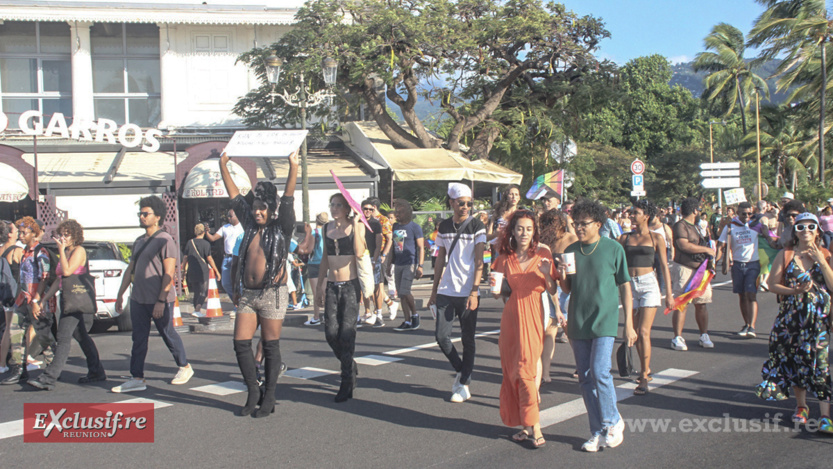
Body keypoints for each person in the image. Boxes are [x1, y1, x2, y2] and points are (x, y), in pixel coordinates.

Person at [219, 150, 297, 417]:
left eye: (262, 207)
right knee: (241, 343)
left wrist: (293, 166)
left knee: (270, 345)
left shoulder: (282, 227)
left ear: (271, 209)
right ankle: (254, 391)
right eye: (255, 207)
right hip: (249, 295)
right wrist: (223, 165)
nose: (257, 211)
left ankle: (270, 396)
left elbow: (288, 199)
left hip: (273, 294)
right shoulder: (249, 225)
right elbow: (233, 195)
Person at [558, 200, 635, 452]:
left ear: (598, 224)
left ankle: (613, 421)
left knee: (600, 370)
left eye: (584, 223)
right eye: (576, 223)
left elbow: (625, 285)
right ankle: (597, 431)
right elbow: (568, 289)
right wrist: (560, 276)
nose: (579, 227)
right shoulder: (570, 250)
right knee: (585, 377)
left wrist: (629, 325)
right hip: (578, 319)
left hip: (605, 319)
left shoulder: (613, 248)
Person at [756, 213, 833, 434]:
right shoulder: (786, 254)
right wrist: (794, 291)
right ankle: (802, 406)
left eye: (811, 226)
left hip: (818, 320)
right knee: (796, 362)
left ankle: (825, 415)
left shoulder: (826, 254)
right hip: (791, 319)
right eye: (801, 226)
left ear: (818, 230)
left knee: (820, 365)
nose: (806, 230)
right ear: (795, 231)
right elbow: (772, 284)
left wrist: (821, 261)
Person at [492, 210, 561, 449]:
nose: (524, 233)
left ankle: (536, 426)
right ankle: (524, 425)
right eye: (520, 228)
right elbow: (499, 289)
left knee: (526, 371)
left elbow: (552, 290)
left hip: (532, 313)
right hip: (511, 316)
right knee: (512, 372)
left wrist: (546, 275)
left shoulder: (543, 253)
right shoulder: (504, 256)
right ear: (512, 231)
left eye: (529, 229)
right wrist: (495, 290)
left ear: (535, 233)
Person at [111, 197, 194, 393]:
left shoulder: (165, 240)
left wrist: (161, 300)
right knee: (138, 338)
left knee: (167, 333)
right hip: (138, 298)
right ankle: (136, 377)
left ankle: (184, 366)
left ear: (157, 217)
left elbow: (169, 273)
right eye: (140, 213)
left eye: (145, 213)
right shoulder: (139, 241)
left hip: (158, 298)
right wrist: (120, 294)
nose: (141, 216)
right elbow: (131, 269)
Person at [27, 220, 106, 390]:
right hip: (68, 299)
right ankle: (96, 371)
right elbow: (59, 279)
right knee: (81, 337)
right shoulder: (67, 251)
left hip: (78, 301)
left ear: (76, 235)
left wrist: (61, 251)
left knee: (63, 338)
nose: (63, 238)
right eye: (61, 234)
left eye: (67, 234)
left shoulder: (79, 251)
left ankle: (48, 378)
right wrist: (44, 299)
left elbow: (68, 271)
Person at [428, 183, 486, 403]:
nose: (465, 207)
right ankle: (463, 371)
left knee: (467, 338)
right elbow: (440, 259)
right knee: (441, 336)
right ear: (451, 202)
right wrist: (434, 290)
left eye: (469, 203)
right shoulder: (443, 226)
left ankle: (463, 384)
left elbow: (479, 261)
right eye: (461, 203)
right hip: (446, 289)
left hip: (467, 291)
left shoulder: (477, 225)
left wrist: (474, 291)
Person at [618, 200, 672, 395]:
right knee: (634, 332)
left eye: (636, 213)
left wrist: (669, 295)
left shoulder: (656, 237)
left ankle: (643, 377)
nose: (632, 216)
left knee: (643, 331)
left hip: (649, 284)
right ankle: (645, 367)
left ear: (646, 216)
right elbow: (615, 262)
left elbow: (664, 266)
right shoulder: (624, 238)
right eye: (632, 213)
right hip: (629, 286)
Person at [316, 193, 365, 402]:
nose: (334, 208)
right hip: (332, 286)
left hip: (350, 286)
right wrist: (320, 286)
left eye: (339, 205)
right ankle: (349, 364)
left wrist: (356, 225)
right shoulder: (326, 228)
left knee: (346, 334)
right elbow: (325, 259)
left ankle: (347, 380)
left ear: (347, 208)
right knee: (330, 332)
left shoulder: (356, 226)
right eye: (332, 205)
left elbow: (360, 252)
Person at [1, 217, 54, 386]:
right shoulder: (25, 252)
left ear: (34, 234)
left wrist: (38, 300)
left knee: (43, 334)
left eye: (24, 233)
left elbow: (44, 278)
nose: (21, 236)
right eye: (20, 232)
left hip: (35, 300)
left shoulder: (41, 252)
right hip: (22, 299)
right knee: (16, 332)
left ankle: (53, 366)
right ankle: (18, 369)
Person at [670, 197, 715, 351]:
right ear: (695, 210)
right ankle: (677, 337)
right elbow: (683, 245)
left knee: (702, 303)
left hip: (700, 270)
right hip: (685, 268)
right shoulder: (680, 226)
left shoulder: (696, 227)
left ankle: (704, 335)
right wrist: (706, 250)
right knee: (682, 303)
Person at [715, 201, 765, 338]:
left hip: (753, 264)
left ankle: (752, 327)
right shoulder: (731, 227)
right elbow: (721, 246)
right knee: (742, 295)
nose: (747, 216)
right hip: (737, 265)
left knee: (751, 294)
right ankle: (746, 324)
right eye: (744, 214)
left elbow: (770, 239)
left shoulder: (756, 225)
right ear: (738, 213)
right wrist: (713, 264)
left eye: (750, 213)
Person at [538, 209, 577, 381]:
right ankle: (545, 372)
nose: (549, 227)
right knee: (549, 331)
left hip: (567, 287)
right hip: (549, 287)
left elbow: (574, 267)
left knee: (569, 330)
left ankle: (581, 363)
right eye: (546, 223)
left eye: (553, 222)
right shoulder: (544, 241)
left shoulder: (571, 239)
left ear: (562, 223)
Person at [391, 199, 425, 331]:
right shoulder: (395, 226)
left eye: (400, 212)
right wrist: (389, 264)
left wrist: (420, 266)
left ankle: (415, 315)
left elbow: (421, 247)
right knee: (401, 294)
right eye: (396, 212)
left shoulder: (414, 227)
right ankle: (407, 320)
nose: (397, 214)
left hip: (410, 263)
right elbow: (395, 246)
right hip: (398, 263)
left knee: (405, 291)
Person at [205, 209, 244, 307]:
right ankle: (237, 303)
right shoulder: (225, 227)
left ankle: (241, 305)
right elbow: (213, 238)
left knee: (238, 283)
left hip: (239, 258)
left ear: (237, 216)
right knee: (225, 283)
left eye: (231, 216)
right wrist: (206, 232)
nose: (229, 218)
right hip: (227, 258)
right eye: (228, 216)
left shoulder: (243, 227)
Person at [182, 223, 221, 317]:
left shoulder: (189, 242)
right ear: (203, 232)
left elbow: (185, 257)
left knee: (196, 291)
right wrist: (217, 271)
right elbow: (209, 258)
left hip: (192, 270)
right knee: (204, 291)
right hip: (203, 270)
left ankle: (197, 310)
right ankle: (197, 309)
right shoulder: (206, 244)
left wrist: (183, 269)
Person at [359, 200, 384, 327]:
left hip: (373, 257)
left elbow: (378, 243)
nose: (368, 211)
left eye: (370, 209)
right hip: (361, 258)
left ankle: (379, 314)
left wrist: (375, 260)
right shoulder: (358, 222)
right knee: (363, 287)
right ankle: (367, 312)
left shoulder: (375, 223)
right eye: (365, 209)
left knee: (376, 286)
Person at [0, 221, 20, 374]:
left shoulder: (1, 250)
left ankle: (2, 364)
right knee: (16, 328)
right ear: (9, 234)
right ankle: (19, 361)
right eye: (16, 230)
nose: (18, 232)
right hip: (14, 294)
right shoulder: (18, 251)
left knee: (8, 329)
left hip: (4, 295)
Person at [305, 213, 328, 326]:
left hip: (314, 263)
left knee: (316, 292)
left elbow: (310, 249)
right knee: (325, 292)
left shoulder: (314, 233)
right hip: (326, 262)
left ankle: (316, 317)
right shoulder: (328, 232)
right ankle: (329, 315)